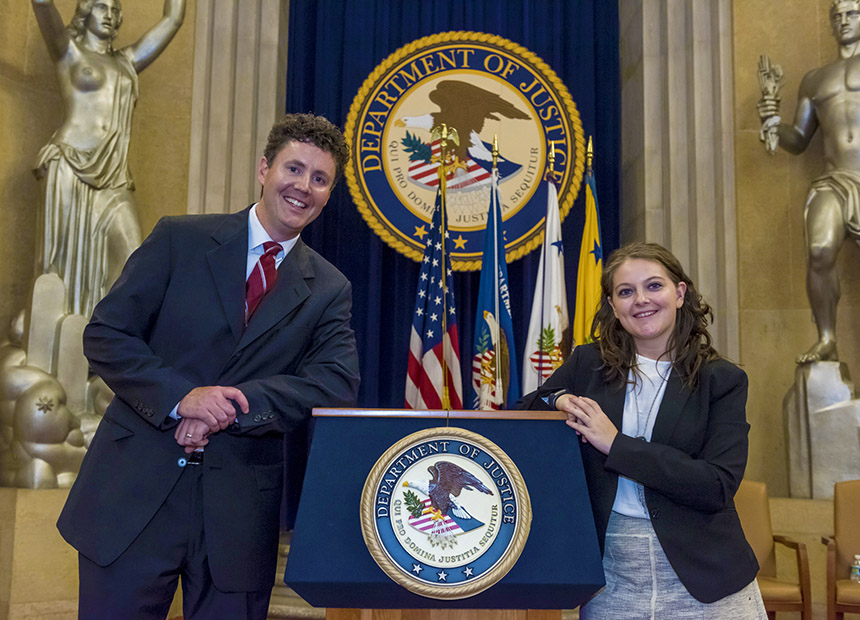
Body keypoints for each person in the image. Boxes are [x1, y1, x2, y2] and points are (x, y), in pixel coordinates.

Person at [56, 113, 361, 620]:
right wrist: (182, 399)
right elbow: (107, 334)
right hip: (132, 499)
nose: (303, 187)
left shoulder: (330, 289)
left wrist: (231, 406)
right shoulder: (179, 239)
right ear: (264, 168)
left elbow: (333, 384)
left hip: (238, 516)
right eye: (294, 169)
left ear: (329, 193)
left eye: (320, 179)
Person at [519, 242, 765, 619]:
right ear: (614, 307)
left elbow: (715, 486)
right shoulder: (588, 364)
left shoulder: (722, 380)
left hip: (708, 583)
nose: (641, 300)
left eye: (654, 286)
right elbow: (523, 411)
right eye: (626, 291)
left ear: (679, 293)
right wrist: (559, 401)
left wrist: (616, 444)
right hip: (612, 581)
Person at [31, 0, 185, 316]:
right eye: (102, 7)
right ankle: (58, 340)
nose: (111, 15)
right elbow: (42, 3)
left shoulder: (127, 61)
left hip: (113, 176)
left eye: (116, 10)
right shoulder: (67, 51)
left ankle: (108, 341)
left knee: (132, 257)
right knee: (56, 267)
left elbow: (172, 20)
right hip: (69, 168)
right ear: (85, 11)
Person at [758, 0, 860, 364]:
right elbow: (799, 139)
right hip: (835, 179)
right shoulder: (816, 79)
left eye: (851, 14)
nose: (843, 21)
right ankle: (828, 339)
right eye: (837, 16)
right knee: (819, 249)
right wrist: (772, 121)